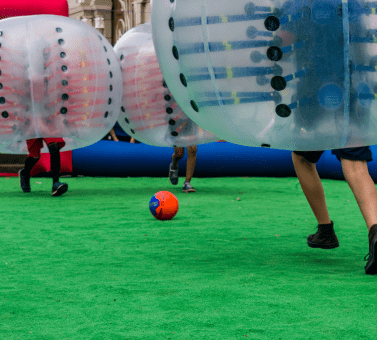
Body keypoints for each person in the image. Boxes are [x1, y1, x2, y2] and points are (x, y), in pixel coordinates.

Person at [292, 147, 377, 274]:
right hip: (354, 126)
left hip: (317, 126)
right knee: (355, 164)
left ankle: (325, 230)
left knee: (302, 157)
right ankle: (375, 232)